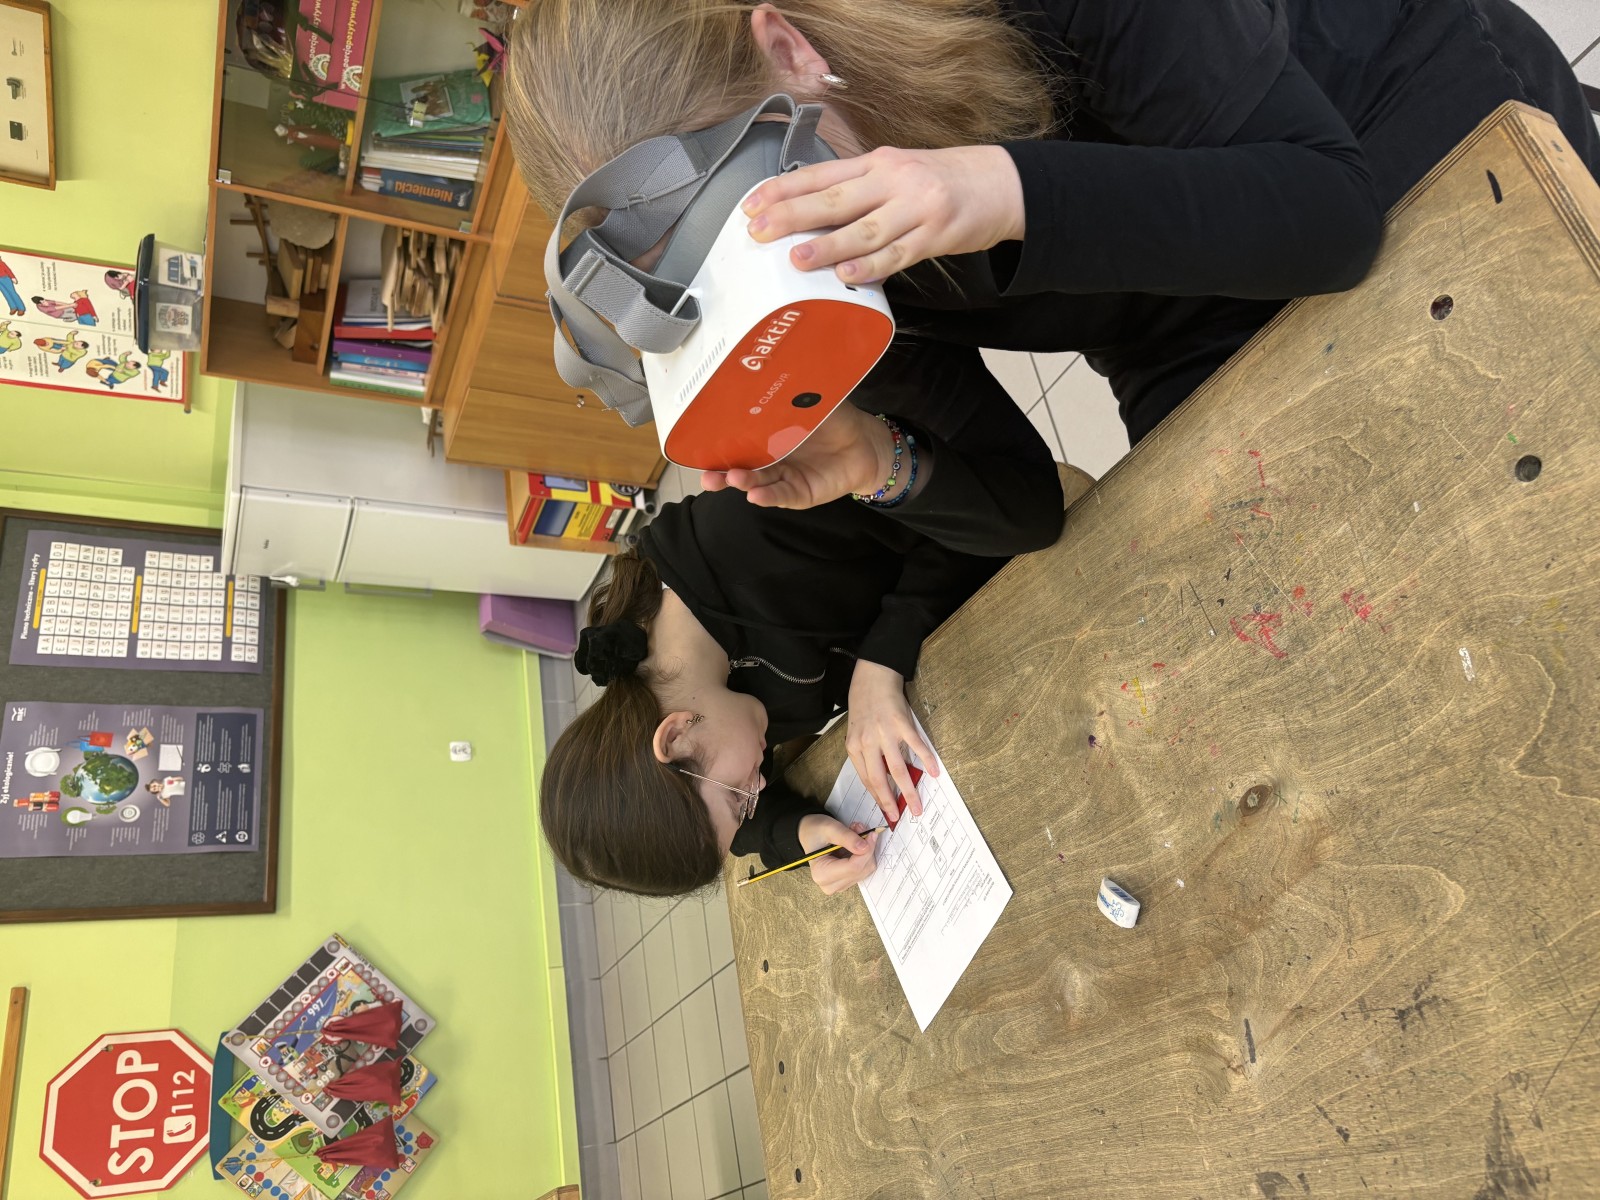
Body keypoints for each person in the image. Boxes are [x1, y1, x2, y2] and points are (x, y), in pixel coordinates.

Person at [506, 0, 1600, 448]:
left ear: (789, 51)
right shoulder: (797, 239)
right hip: (1191, 305)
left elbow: (1330, 216)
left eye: (764, 212)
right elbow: (1026, 500)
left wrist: (1003, 193)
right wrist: (874, 463)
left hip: (1386, 121)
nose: (781, 254)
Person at [540, 344, 1064, 897]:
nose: (757, 788)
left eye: (738, 797)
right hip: (970, 649)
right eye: (746, 804)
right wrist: (798, 831)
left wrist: (882, 658)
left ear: (675, 734)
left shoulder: (752, 535)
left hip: (1000, 531)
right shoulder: (682, 695)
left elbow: (966, 519)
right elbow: (739, 828)